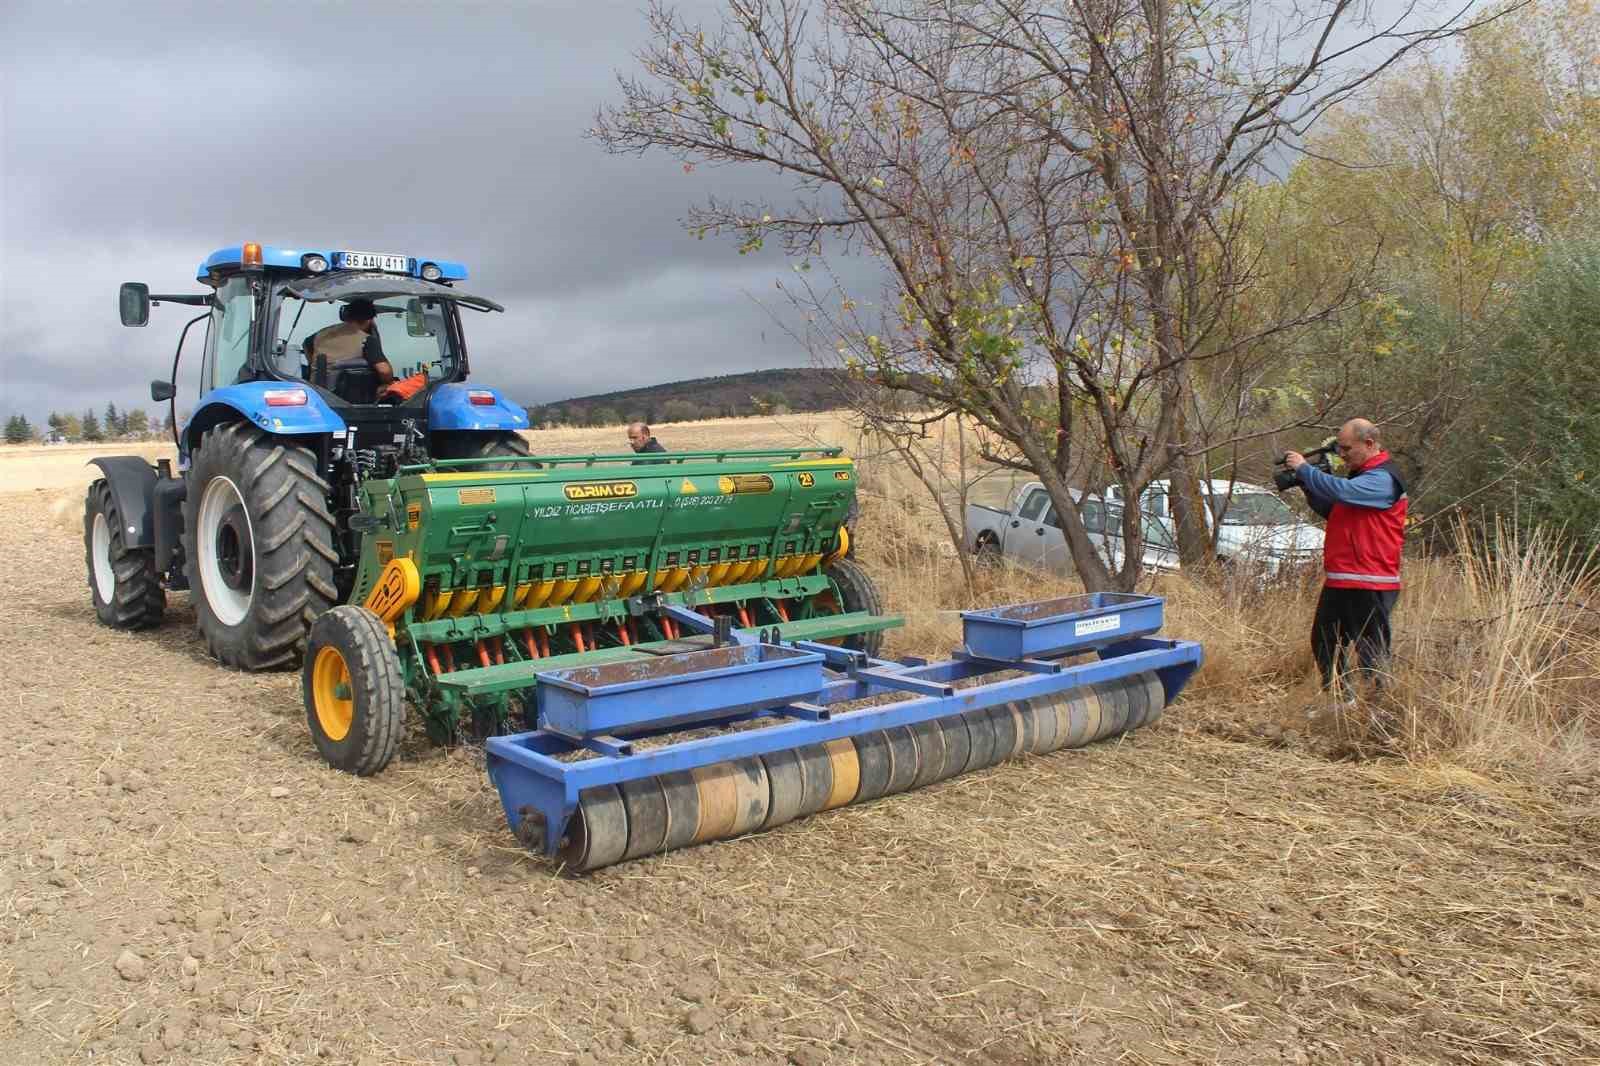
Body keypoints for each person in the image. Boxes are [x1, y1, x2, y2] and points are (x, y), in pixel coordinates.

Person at [1285, 418, 1407, 705]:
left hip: (1371, 581)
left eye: (1347, 448)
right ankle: (1342, 704)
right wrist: (1307, 484)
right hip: (1342, 579)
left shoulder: (1383, 478)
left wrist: (1304, 469)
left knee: (1370, 652)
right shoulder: (1360, 478)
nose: (1342, 454)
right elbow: (1333, 509)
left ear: (1369, 443)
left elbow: (1342, 492)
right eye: (1339, 448)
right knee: (1324, 642)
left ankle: (1377, 713)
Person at [308, 298, 393, 400]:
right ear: (369, 320)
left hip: (317, 393)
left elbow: (307, 345)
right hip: (351, 398)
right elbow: (384, 371)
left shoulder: (321, 334)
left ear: (347, 315)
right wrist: (387, 383)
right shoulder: (365, 339)